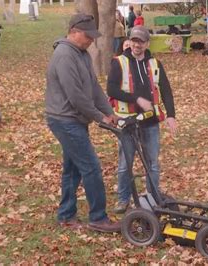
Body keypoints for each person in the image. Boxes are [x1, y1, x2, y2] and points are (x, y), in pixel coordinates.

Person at [45, 13, 120, 232]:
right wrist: (99, 117)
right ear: (74, 32)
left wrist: (109, 111)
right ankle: (98, 218)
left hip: (75, 119)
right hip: (64, 119)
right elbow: (75, 95)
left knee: (73, 169)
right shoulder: (64, 56)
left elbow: (94, 87)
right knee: (91, 168)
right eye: (88, 36)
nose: (91, 40)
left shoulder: (82, 54)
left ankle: (66, 216)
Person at [107, 26, 176, 214]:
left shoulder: (155, 63)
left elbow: (166, 90)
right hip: (128, 122)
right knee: (125, 163)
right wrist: (136, 98)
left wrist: (171, 115)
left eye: (141, 41)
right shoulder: (118, 62)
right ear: (129, 41)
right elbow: (111, 90)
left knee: (152, 163)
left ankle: (153, 197)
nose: (137, 44)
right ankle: (123, 199)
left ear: (147, 43)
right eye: (134, 40)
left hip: (150, 122)